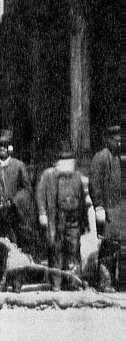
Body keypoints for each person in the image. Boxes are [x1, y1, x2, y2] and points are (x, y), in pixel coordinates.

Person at [36, 143, 92, 288]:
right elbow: (40, 195)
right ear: (58, 163)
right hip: (56, 218)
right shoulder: (48, 175)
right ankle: (56, 283)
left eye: (70, 162)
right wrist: (42, 214)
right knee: (56, 248)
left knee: (73, 248)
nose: (68, 165)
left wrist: (85, 221)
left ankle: (74, 282)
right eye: (64, 162)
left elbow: (83, 199)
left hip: (73, 219)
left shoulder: (77, 176)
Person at [0, 130, 39, 255]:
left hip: (16, 213)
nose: (2, 149)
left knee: (19, 243)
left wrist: (14, 201)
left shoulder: (19, 166)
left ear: (10, 148)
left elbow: (27, 189)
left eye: (5, 146)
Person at [89, 125, 122, 292]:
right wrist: (99, 206)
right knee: (109, 245)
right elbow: (94, 184)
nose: (120, 143)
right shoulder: (100, 158)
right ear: (109, 140)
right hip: (108, 210)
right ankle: (105, 281)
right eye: (116, 140)